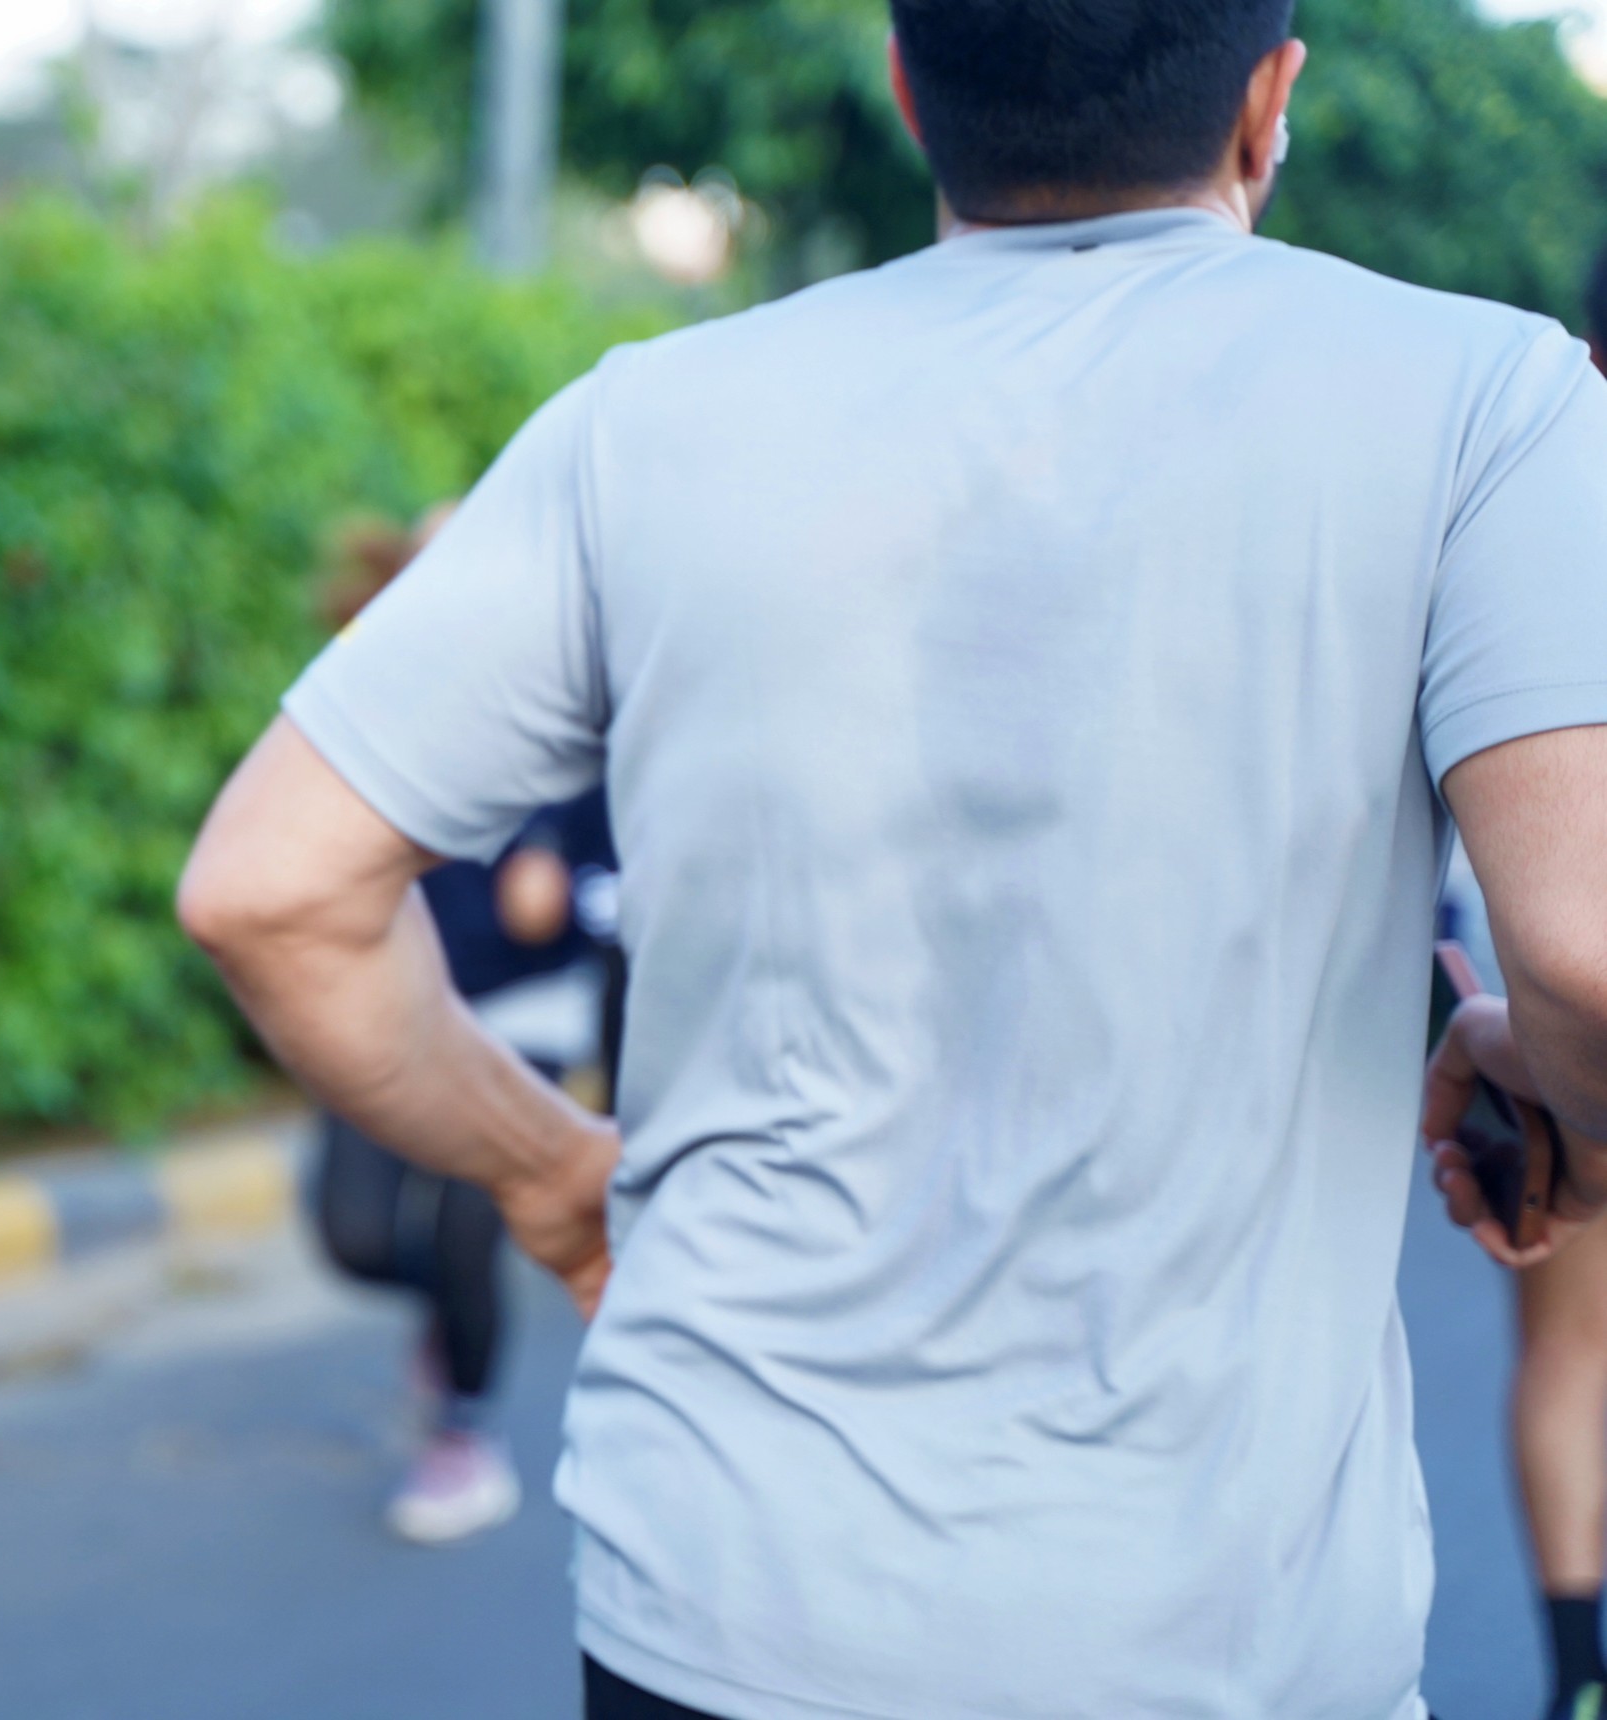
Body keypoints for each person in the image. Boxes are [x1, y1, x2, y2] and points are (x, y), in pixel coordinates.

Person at [177, 1, 1607, 1715]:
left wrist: (545, 1169)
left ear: (909, 90)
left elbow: (270, 890)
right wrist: (1567, 1107)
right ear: (1267, 102)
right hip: (1225, 1648)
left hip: (721, 1612)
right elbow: (1588, 960)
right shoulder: (1485, 399)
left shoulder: (649, 422)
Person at [308, 511, 619, 1545]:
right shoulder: (364, 705)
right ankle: (447, 1319)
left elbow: (631, 881)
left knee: (464, 1229)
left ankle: (462, 1438)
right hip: (391, 1005)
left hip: (522, 1017)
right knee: (354, 1234)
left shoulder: (584, 722)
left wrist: (565, 891)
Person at [1463, 244, 1607, 1720]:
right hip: (1563, 999)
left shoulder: (1546, 486)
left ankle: (1578, 1679)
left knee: (1570, 1343)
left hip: (1552, 1007)